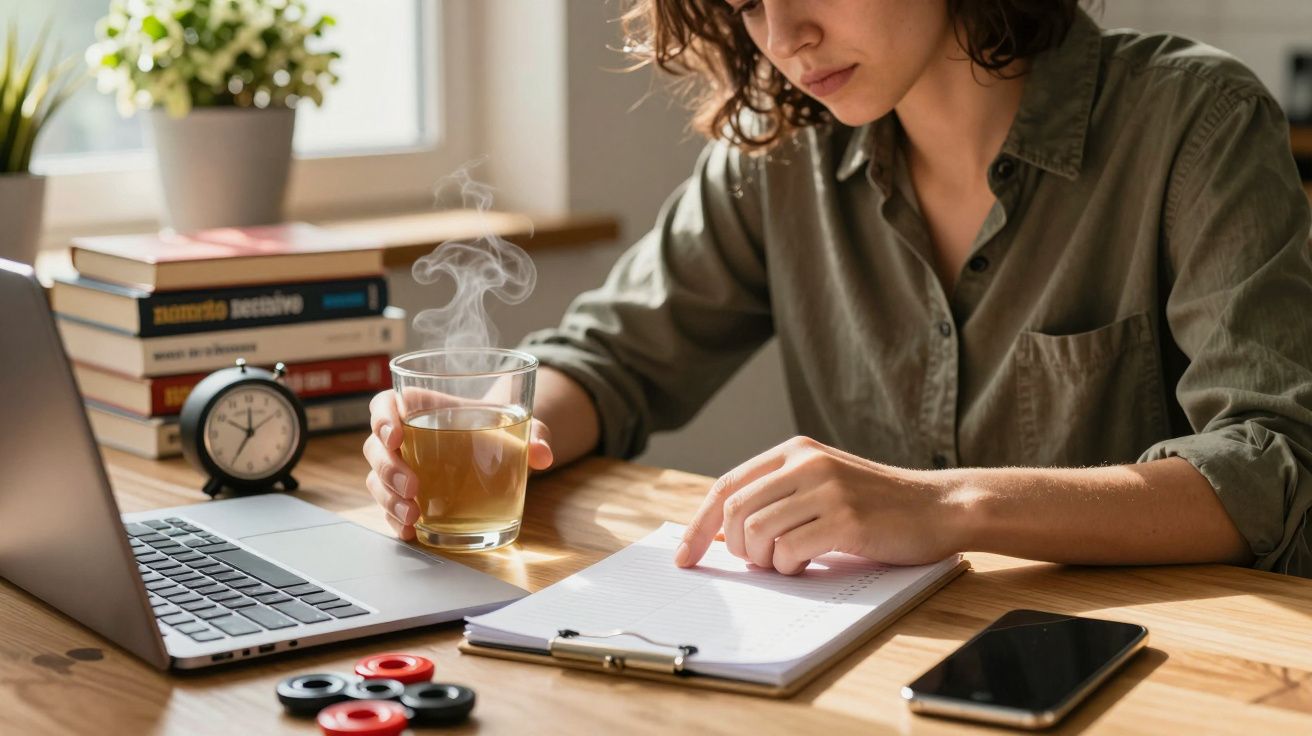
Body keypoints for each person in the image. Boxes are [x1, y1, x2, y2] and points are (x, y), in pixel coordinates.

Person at [364, 0, 1312, 577]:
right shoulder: (779, 160)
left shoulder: (1196, 123)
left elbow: (1278, 466)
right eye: (745, 4)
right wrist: (483, 431)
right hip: (870, 676)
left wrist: (944, 506)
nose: (784, 38)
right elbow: (609, 363)